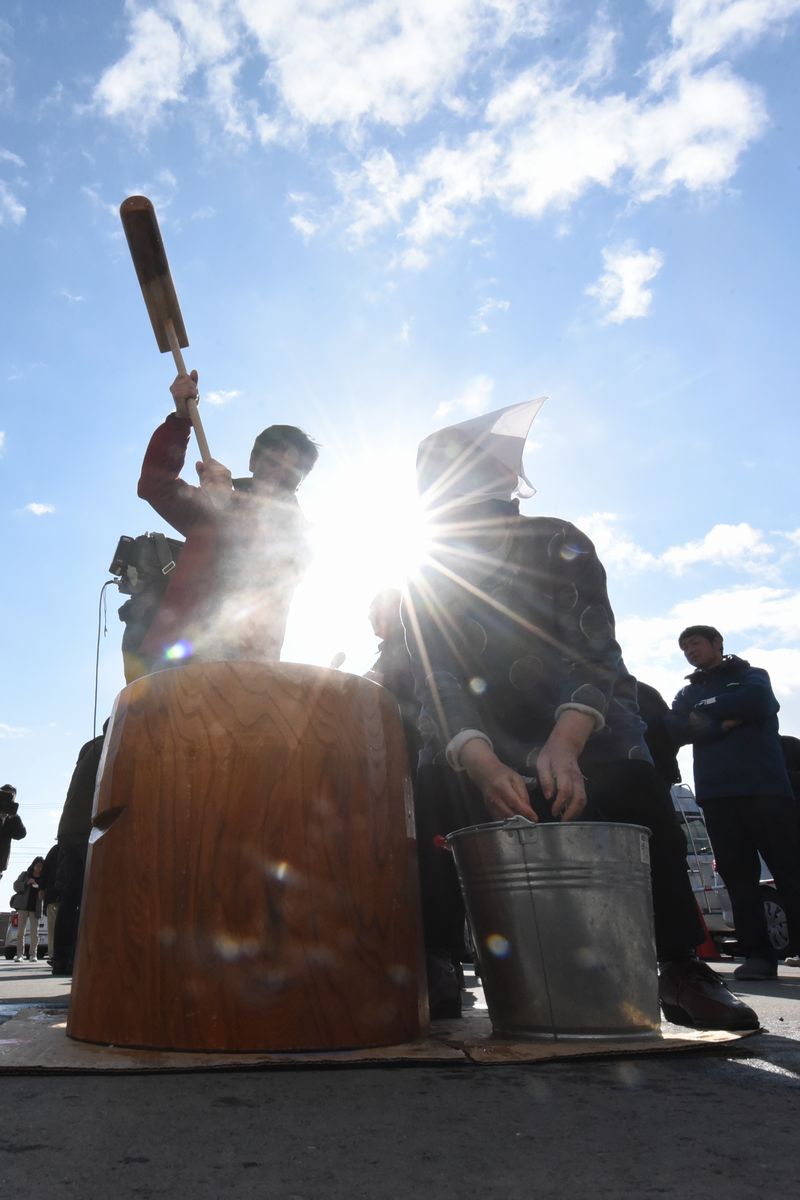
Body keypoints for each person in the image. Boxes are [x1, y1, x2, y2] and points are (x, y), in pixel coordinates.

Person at [403, 401, 757, 1030]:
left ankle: (679, 965)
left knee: (631, 780)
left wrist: (565, 743)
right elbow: (438, 678)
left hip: (579, 726)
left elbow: (593, 651)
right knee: (434, 789)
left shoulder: (557, 538)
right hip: (477, 733)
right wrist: (482, 764)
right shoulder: (422, 568)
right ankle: (436, 960)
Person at [134, 369, 319, 675]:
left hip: (245, 671)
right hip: (172, 659)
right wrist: (181, 420)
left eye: (294, 469)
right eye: (273, 461)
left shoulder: (300, 534)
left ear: (302, 479)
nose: (281, 472)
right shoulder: (211, 505)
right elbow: (154, 485)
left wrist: (229, 502)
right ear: (253, 462)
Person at [667, 626, 800, 980]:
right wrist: (723, 722)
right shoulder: (688, 691)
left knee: (790, 871)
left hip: (766, 790)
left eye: (695, 643)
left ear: (717, 644)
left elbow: (759, 703)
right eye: (684, 648)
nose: (690, 651)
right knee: (739, 879)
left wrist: (706, 714)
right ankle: (758, 955)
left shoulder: (751, 675)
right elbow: (675, 728)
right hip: (716, 796)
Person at [51, 729, 106, 976]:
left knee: (70, 896)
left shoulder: (88, 747)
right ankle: (81, 958)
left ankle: (61, 958)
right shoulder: (113, 743)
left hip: (67, 829)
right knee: (94, 892)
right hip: (87, 828)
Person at [364, 588, 422, 771]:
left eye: (374, 614)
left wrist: (379, 681)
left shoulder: (410, 640)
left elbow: (415, 680)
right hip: (390, 738)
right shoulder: (388, 649)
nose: (371, 622)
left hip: (414, 738)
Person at [12, 856, 44, 962]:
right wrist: (26, 883)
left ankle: (33, 955)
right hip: (23, 907)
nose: (38, 868)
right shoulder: (25, 874)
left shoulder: (44, 878)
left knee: (35, 933)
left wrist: (42, 893)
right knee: (21, 931)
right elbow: (15, 886)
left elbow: (45, 892)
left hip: (36, 908)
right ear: (33, 865)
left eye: (41, 866)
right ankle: (19, 955)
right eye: (37, 865)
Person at [39, 842, 61, 963]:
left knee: (56, 926)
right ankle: (54, 954)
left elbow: (45, 870)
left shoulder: (55, 850)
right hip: (54, 894)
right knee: (53, 926)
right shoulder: (55, 850)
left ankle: (56, 954)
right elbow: (45, 869)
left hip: (62, 894)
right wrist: (42, 887)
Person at [0, 783, 26, 881]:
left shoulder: (12, 818)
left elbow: (21, 834)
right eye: (4, 795)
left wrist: (13, 814)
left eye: (10, 796)